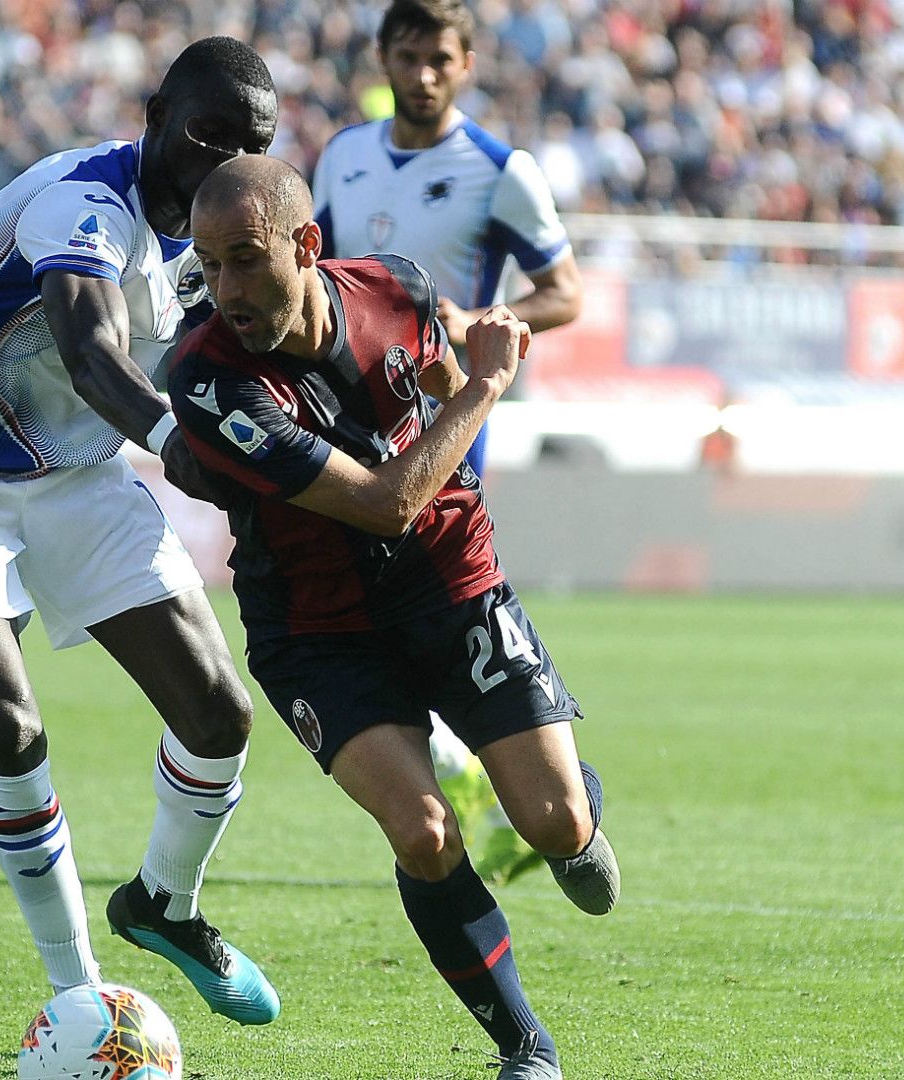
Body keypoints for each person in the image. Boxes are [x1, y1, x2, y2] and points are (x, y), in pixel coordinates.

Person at [0, 38, 280, 1023]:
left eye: (244, 146)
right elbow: (88, 351)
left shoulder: (222, 236)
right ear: (156, 110)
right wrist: (177, 445)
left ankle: (164, 904)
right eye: (204, 133)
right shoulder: (81, 199)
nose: (218, 160)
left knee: (220, 713)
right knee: (10, 725)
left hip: (70, 478)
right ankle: (78, 994)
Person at [168, 155, 616, 1080]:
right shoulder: (210, 380)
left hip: (451, 581)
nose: (226, 290)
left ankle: (571, 801)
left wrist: (467, 383)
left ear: (307, 245)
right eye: (208, 266)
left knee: (558, 825)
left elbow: (441, 395)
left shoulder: (398, 287)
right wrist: (487, 388)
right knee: (423, 831)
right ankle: (524, 1045)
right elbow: (382, 501)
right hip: (316, 628)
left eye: (245, 259)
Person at [311, 0, 586, 885]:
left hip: (441, 426)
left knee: (428, 607)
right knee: (367, 612)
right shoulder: (344, 155)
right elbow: (313, 271)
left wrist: (477, 322)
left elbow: (565, 290)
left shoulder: (503, 170)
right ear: (383, 57)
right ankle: (480, 799)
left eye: (439, 59)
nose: (422, 74)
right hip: (342, 422)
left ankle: (515, 792)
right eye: (408, 55)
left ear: (466, 65)